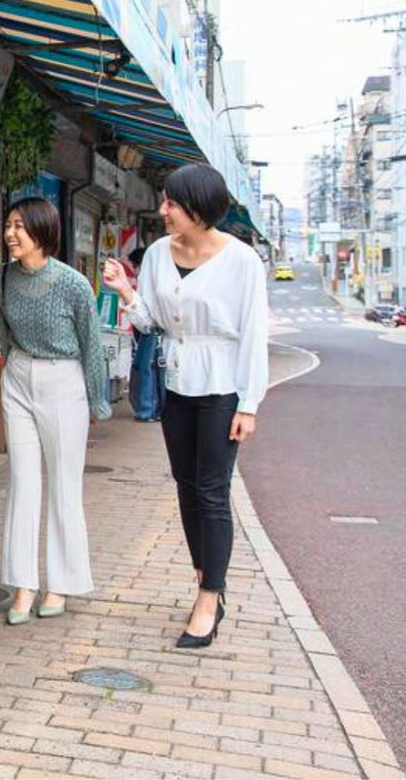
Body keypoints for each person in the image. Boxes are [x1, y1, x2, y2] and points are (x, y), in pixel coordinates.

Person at [101, 164, 268, 649]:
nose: (163, 210)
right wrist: (126, 292)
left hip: (223, 386)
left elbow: (254, 335)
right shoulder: (157, 253)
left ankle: (209, 596)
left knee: (213, 491)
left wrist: (249, 403)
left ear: (198, 207)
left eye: (172, 203)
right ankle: (207, 574)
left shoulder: (241, 262)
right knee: (187, 488)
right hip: (177, 382)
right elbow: (151, 321)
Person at [0, 197, 111, 625]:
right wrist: (13, 366)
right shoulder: (1, 276)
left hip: (64, 381)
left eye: (20, 226)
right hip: (19, 376)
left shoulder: (74, 284)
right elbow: (4, 330)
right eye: (9, 225)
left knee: (64, 485)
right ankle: (23, 585)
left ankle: (60, 584)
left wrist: (97, 399)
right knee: (23, 482)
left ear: (43, 232)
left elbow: (92, 345)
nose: (11, 234)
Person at [127, 246, 166, 423]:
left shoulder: (149, 277)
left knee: (146, 367)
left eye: (135, 265)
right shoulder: (157, 275)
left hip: (151, 329)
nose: (134, 270)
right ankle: (149, 408)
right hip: (152, 329)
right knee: (148, 367)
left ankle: (147, 409)